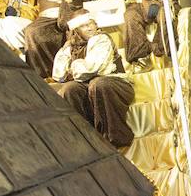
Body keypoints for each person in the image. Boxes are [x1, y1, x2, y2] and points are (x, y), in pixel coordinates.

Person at [52, 11, 134, 148]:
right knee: (69, 89)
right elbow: (58, 74)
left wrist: (72, 66)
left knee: (98, 84)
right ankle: (85, 138)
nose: (90, 28)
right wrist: (70, 62)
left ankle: (115, 137)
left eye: (91, 24)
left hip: (114, 84)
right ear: (76, 30)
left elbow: (90, 69)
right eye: (84, 26)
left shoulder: (101, 39)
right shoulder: (70, 47)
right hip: (90, 87)